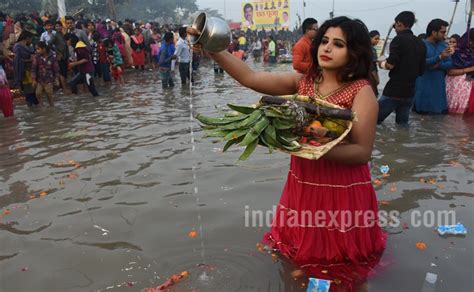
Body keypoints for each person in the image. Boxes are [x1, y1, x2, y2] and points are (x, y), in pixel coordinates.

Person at [187, 16, 386, 290]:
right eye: (324, 41)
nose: (327, 48)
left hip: (342, 186)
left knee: (342, 259)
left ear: (355, 52)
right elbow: (251, 77)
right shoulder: (304, 82)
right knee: (300, 254)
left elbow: (362, 152)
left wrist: (313, 147)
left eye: (338, 44)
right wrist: (211, 48)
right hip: (303, 180)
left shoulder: (361, 92)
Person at [377, 11, 426, 125]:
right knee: (402, 125)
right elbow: (421, 70)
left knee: (373, 120)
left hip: (394, 90)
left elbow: (390, 65)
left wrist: (381, 64)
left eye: (395, 25)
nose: (395, 28)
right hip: (409, 92)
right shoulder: (420, 43)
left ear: (399, 23)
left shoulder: (398, 40)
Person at [413, 19, 453, 114]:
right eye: (442, 32)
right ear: (434, 32)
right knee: (421, 119)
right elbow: (420, 63)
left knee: (439, 118)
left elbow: (450, 63)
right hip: (424, 86)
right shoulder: (421, 45)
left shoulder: (444, 46)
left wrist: (438, 65)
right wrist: (439, 57)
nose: (444, 35)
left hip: (439, 88)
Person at [448, 28, 474, 114]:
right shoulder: (455, 52)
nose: (471, 43)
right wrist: (469, 69)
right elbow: (450, 72)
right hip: (456, 89)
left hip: (470, 91)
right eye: (471, 41)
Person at [13, 31, 38, 106]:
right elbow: (17, 60)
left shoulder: (28, 46)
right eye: (31, 39)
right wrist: (30, 60)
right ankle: (30, 107)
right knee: (28, 91)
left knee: (34, 91)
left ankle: (35, 110)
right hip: (24, 72)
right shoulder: (17, 47)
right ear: (27, 38)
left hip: (31, 71)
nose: (31, 41)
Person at [31, 41, 59, 107]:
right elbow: (33, 69)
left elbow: (56, 69)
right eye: (36, 49)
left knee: (49, 93)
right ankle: (42, 106)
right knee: (38, 93)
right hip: (39, 79)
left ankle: (52, 107)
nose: (37, 50)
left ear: (44, 49)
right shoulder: (36, 57)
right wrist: (34, 79)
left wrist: (56, 78)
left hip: (49, 79)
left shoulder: (52, 57)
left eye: (38, 49)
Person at [369, 30, 381, 96]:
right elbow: (371, 66)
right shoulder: (371, 49)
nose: (377, 40)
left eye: (378, 39)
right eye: (376, 38)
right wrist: (376, 78)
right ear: (370, 38)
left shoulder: (372, 49)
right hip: (371, 75)